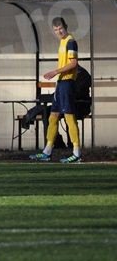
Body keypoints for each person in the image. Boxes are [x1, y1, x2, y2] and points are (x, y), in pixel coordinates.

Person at [30, 17, 83, 163]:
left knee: (69, 116)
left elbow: (73, 63)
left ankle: (77, 152)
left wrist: (55, 72)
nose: (59, 31)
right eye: (56, 30)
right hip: (61, 83)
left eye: (60, 28)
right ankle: (47, 151)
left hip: (67, 83)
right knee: (53, 116)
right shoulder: (62, 42)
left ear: (65, 27)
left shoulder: (71, 41)